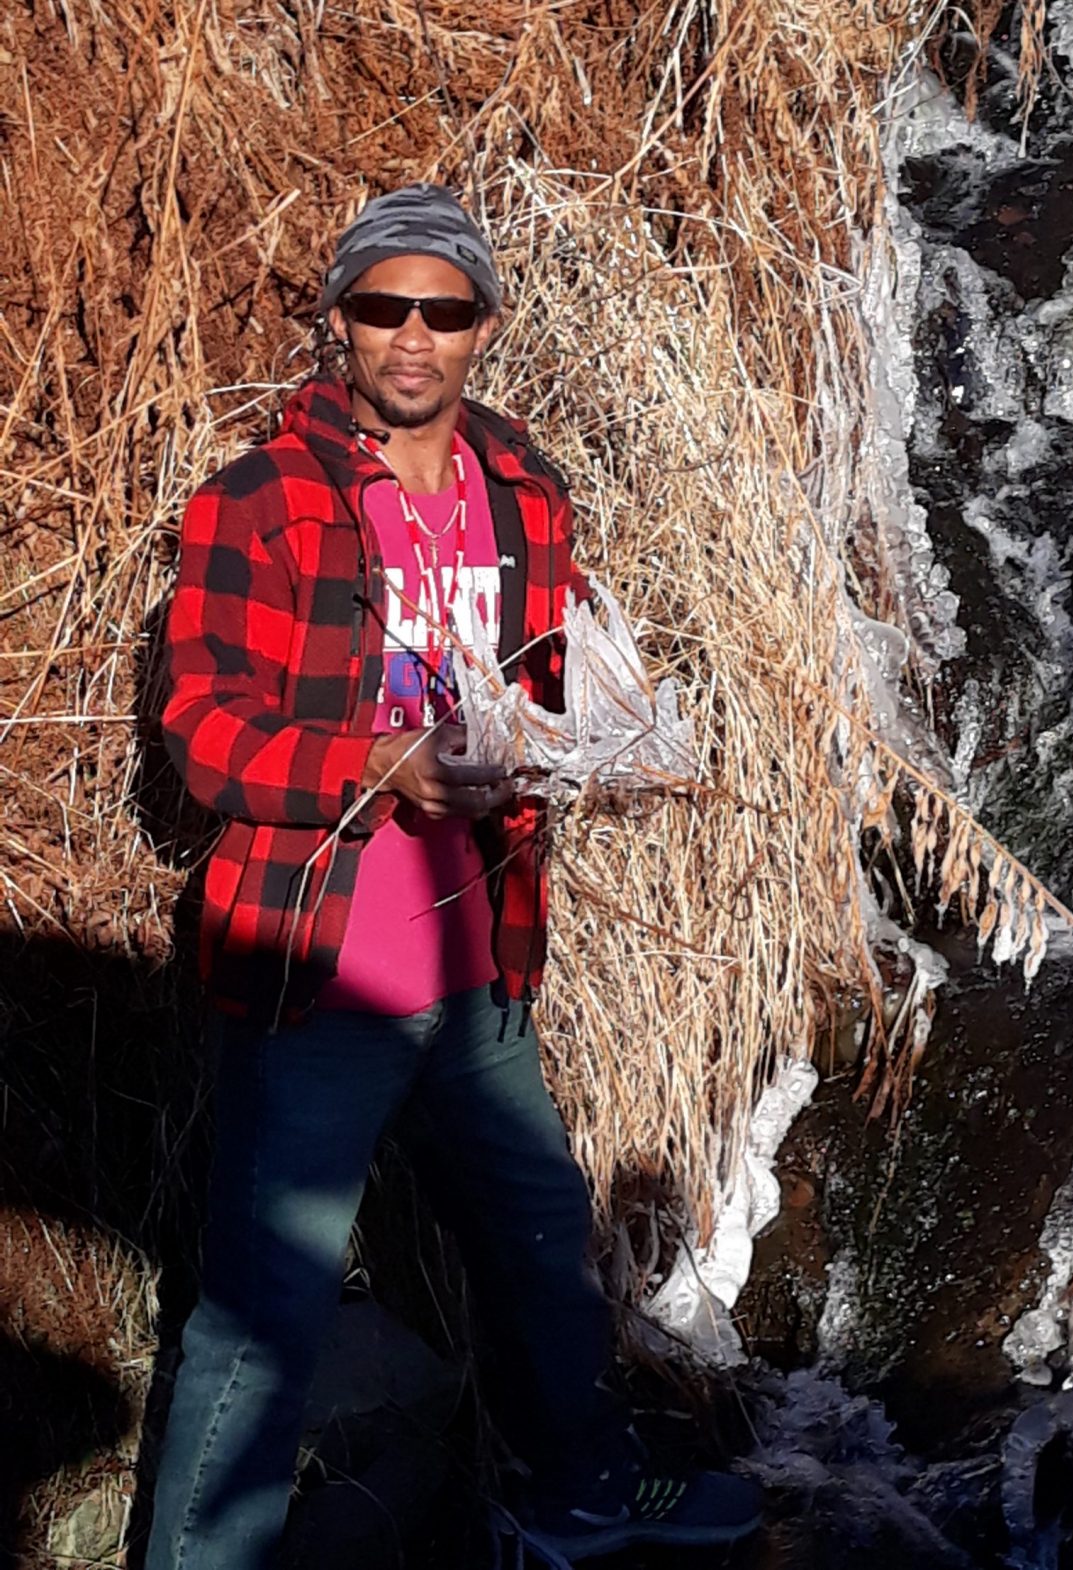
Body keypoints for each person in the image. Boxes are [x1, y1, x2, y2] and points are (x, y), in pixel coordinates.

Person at [145, 184, 761, 1570]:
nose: (410, 336)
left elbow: (542, 683)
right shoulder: (260, 501)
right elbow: (198, 725)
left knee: (545, 1244)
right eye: (381, 305)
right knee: (262, 1320)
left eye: (443, 308)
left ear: (485, 323)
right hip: (319, 971)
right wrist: (380, 764)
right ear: (342, 316)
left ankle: (576, 1494)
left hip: (482, 965)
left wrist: (612, 743)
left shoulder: (523, 486)